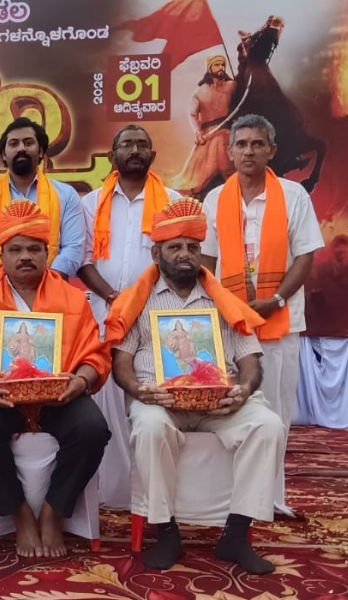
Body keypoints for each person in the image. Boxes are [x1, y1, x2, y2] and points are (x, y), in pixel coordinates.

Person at [106, 198, 285, 573]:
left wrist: (243, 390)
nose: (184, 254)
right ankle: (166, 532)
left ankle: (236, 535)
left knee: (268, 425)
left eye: (192, 246)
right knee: (149, 426)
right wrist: (139, 390)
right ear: (156, 253)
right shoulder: (136, 302)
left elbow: (250, 361)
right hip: (161, 401)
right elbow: (121, 364)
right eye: (174, 247)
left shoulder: (224, 300)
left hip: (220, 405)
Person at [0, 201, 111, 559]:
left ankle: (54, 510)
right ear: (1, 255)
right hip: (2, 398)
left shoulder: (72, 298)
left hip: (58, 397)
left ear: (47, 253)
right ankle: (20, 513)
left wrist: (82, 380)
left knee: (92, 429)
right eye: (15, 249)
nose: (25, 256)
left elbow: (94, 353)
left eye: (33, 249)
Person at [200, 114, 324, 513]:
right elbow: (206, 261)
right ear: (230, 151)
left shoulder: (292, 195)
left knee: (274, 411)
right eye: (241, 144)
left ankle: (268, 499)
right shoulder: (215, 199)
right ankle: (229, 497)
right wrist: (218, 307)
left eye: (257, 144)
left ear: (272, 150)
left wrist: (277, 300)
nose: (248, 151)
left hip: (279, 321)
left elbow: (305, 256)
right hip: (229, 323)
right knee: (229, 409)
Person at [78, 125, 178, 508]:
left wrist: (141, 300)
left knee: (150, 400)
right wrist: (112, 296)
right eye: (126, 144)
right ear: (112, 155)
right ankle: (115, 493)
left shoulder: (172, 201)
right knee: (107, 404)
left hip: (154, 314)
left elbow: (178, 259)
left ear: (153, 154)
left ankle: (151, 490)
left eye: (142, 144)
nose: (134, 150)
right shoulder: (91, 204)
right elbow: (83, 260)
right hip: (105, 312)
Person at [0, 117, 85, 282]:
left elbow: (74, 247)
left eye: (28, 143)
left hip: (53, 287)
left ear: (40, 151)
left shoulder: (66, 195)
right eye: (14, 144)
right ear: (4, 155)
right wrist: (4, 287)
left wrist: (49, 283)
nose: (21, 148)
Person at [171, 55, 237, 197]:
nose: (221, 68)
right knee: (199, 174)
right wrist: (198, 132)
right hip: (208, 135)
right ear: (210, 68)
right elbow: (192, 114)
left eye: (222, 65)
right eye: (217, 65)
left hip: (229, 132)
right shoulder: (200, 92)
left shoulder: (232, 86)